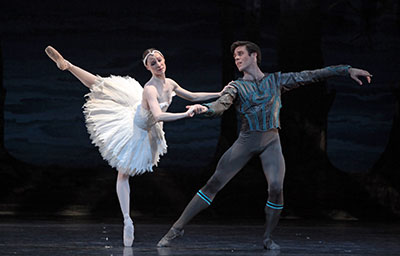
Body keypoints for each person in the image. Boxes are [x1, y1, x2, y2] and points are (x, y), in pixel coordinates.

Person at [157, 41, 372, 250]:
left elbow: (311, 75)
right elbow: (221, 104)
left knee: (276, 188)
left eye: (240, 54)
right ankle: (176, 229)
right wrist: (204, 109)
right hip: (246, 141)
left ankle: (267, 238)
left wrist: (347, 70)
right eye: (234, 57)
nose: (237, 58)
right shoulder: (236, 86)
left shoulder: (275, 81)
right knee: (213, 184)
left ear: (254, 55)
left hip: (271, 141)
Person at [45, 46, 231, 247]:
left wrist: (219, 93)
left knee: (105, 87)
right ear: (148, 67)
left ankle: (69, 65)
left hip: (144, 120)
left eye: (160, 60)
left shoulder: (170, 83)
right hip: (136, 129)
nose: (158, 65)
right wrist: (185, 115)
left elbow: (193, 96)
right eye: (153, 63)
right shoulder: (150, 89)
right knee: (122, 170)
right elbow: (159, 116)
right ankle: (127, 220)